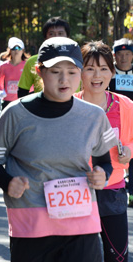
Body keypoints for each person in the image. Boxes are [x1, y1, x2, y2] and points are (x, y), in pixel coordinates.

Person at [0, 37, 117, 262]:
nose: (64, 80)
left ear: (81, 73)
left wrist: (103, 174)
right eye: (55, 72)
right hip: (32, 224)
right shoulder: (15, 113)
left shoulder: (94, 116)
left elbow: (105, 161)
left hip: (81, 223)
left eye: (72, 72)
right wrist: (7, 182)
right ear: (39, 71)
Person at [74, 41, 133, 262]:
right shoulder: (69, 105)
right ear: (80, 71)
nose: (96, 75)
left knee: (117, 257)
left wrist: (129, 150)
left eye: (103, 69)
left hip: (112, 188)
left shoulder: (125, 105)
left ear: (112, 72)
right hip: (74, 189)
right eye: (90, 68)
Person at [17, 17, 70, 98]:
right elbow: (22, 92)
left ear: (68, 37)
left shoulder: (77, 61)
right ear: (45, 38)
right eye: (51, 34)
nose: (56, 37)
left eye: (60, 33)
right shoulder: (33, 61)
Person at [108, 38, 133, 207]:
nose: (123, 58)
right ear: (114, 56)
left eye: (127, 54)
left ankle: (131, 191)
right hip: (114, 122)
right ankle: (112, 186)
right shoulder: (108, 74)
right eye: (119, 54)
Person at [0, 37, 27, 110]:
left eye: (19, 48)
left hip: (22, 101)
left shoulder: (27, 65)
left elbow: (32, 83)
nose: (16, 50)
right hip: (7, 101)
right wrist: (1, 91)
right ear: (9, 51)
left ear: (23, 51)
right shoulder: (3, 66)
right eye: (14, 48)